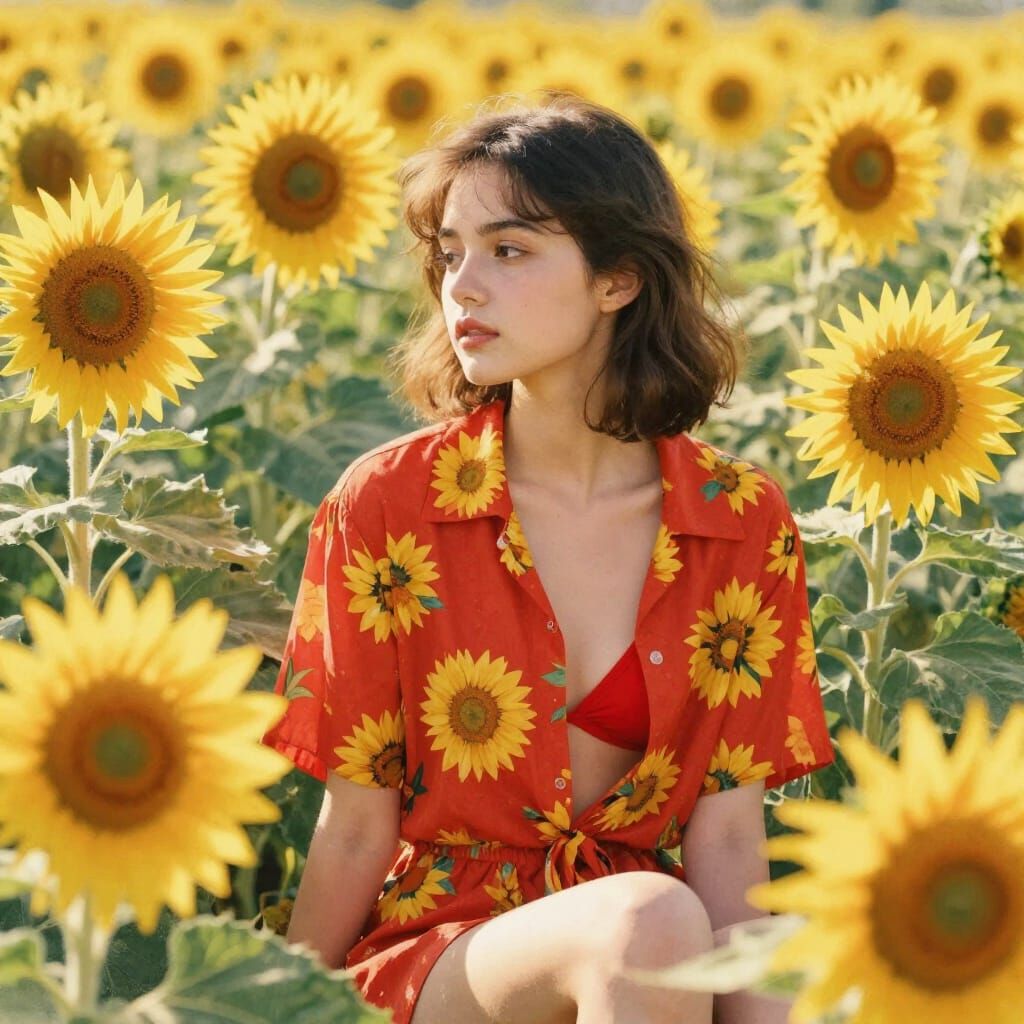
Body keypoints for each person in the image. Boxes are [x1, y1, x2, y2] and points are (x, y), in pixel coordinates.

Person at [261, 93, 835, 1024]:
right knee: (648, 918)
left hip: (651, 965)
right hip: (442, 955)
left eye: (510, 250)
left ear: (618, 279)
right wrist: (274, 1013)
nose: (463, 288)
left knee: (663, 924)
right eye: (451, 253)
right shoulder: (388, 507)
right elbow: (356, 825)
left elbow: (730, 846)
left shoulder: (739, 523)